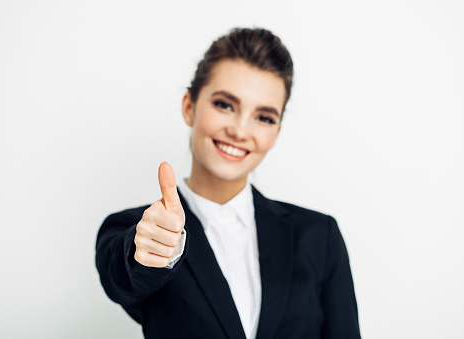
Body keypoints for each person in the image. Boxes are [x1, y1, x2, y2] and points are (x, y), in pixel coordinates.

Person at [96, 27, 361, 339]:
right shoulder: (138, 231)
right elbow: (125, 278)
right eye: (224, 104)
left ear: (276, 133)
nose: (239, 130)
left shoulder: (319, 236)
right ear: (189, 107)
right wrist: (153, 250)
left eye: (264, 117)